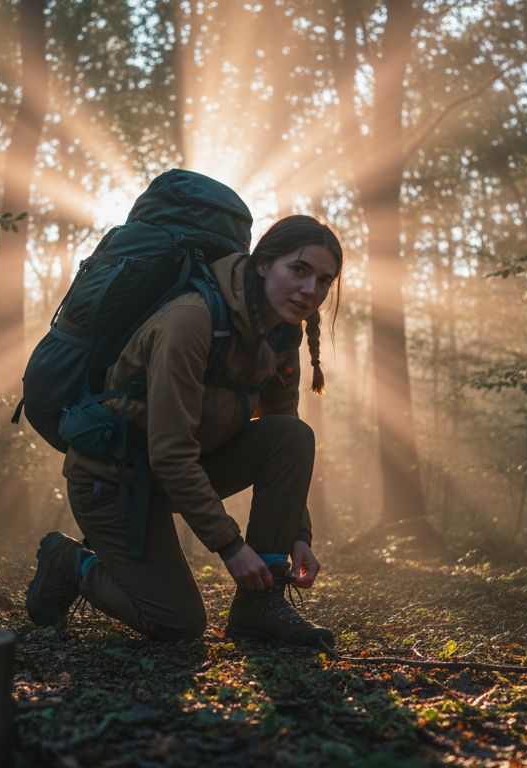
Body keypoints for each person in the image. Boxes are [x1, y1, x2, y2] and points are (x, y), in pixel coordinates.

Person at [25, 214, 343, 648]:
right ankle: (68, 563)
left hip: (177, 472)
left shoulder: (281, 339)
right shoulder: (191, 320)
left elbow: (281, 439)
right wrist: (231, 547)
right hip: (113, 480)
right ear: (264, 263)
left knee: (293, 434)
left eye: (324, 280)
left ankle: (259, 607)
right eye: (299, 269)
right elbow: (171, 452)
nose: (311, 290)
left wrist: (297, 536)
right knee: (178, 624)